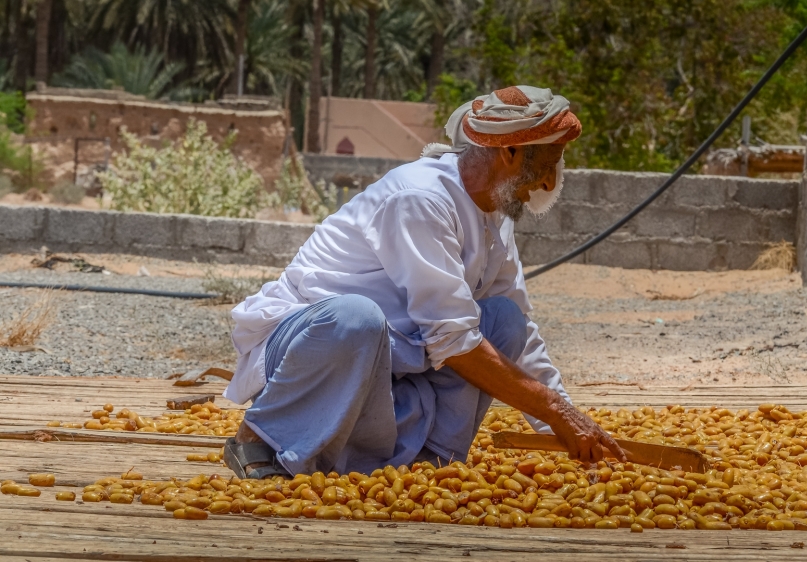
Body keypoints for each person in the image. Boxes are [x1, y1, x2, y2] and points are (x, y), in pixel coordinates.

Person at [222, 85, 626, 479]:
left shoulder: (495, 215)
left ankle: (430, 461)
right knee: (357, 317)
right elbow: (453, 341)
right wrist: (553, 409)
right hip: (319, 352)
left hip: (394, 365)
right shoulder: (420, 198)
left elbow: (519, 330)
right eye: (547, 165)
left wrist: (569, 421)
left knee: (504, 320)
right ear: (511, 151)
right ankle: (260, 439)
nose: (548, 185)